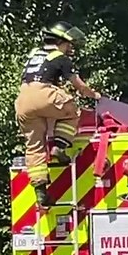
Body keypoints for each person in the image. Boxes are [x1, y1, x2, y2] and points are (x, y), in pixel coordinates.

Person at [16, 20, 101, 209]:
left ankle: (41, 193)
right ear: (62, 41)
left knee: (34, 146)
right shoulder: (60, 57)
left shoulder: (34, 54)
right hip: (44, 94)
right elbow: (78, 85)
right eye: (69, 43)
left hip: (23, 100)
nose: (71, 47)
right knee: (72, 111)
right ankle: (60, 147)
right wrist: (94, 95)